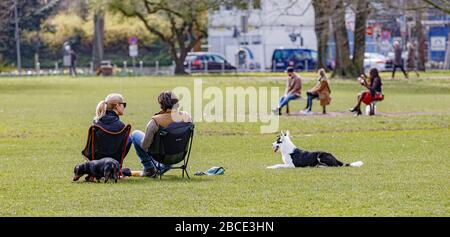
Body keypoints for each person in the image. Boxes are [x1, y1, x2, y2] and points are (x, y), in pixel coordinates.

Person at [130, 91, 192, 178]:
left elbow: (145, 146)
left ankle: (149, 168)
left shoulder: (156, 121)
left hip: (161, 156)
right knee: (172, 144)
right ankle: (159, 169)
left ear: (161, 104)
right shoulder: (187, 116)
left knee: (135, 134)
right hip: (179, 155)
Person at [92, 93, 132, 176]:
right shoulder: (121, 126)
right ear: (117, 105)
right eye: (123, 104)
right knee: (130, 139)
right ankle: (116, 169)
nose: (124, 107)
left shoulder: (96, 124)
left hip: (96, 163)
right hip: (114, 162)